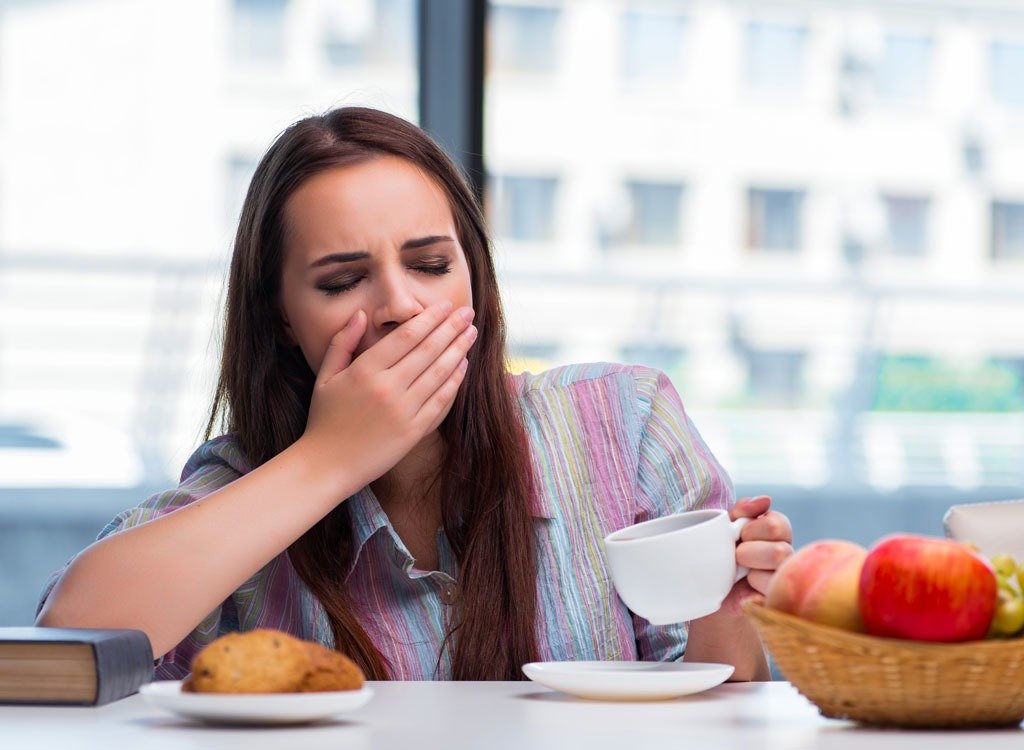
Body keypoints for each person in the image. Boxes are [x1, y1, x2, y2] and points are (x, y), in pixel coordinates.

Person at [36, 107, 793, 681]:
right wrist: (331, 458)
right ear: (283, 318)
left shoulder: (624, 422)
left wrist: (721, 607)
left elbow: (714, 702)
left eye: (430, 265)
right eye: (340, 281)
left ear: (476, 282)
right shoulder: (246, 487)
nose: (399, 305)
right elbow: (71, 637)